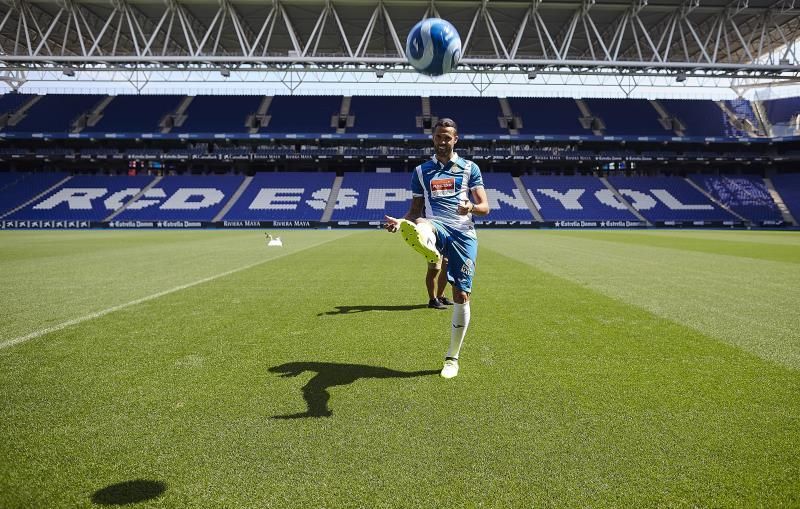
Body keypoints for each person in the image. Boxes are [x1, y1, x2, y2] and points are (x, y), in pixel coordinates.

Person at [384, 118, 489, 379]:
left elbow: (485, 207)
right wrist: (401, 222)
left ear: (456, 140)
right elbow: (415, 210)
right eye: (439, 136)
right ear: (433, 139)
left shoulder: (469, 168)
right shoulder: (421, 172)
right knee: (423, 224)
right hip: (436, 224)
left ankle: (452, 358)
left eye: (447, 137)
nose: (443, 141)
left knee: (461, 296)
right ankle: (427, 243)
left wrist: (471, 208)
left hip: (463, 234)